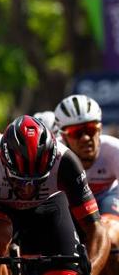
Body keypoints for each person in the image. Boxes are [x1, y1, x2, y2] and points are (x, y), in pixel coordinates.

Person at [0, 115, 110, 275]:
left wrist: (90, 270)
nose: (28, 189)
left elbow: (96, 229)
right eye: (19, 180)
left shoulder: (66, 162)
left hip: (47, 205)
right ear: (2, 160)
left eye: (38, 180)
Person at [54, 95, 119, 275]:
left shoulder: (114, 150)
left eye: (91, 129)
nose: (85, 138)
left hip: (107, 199)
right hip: (71, 206)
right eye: (76, 132)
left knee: (110, 242)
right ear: (64, 137)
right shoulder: (56, 156)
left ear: (100, 129)